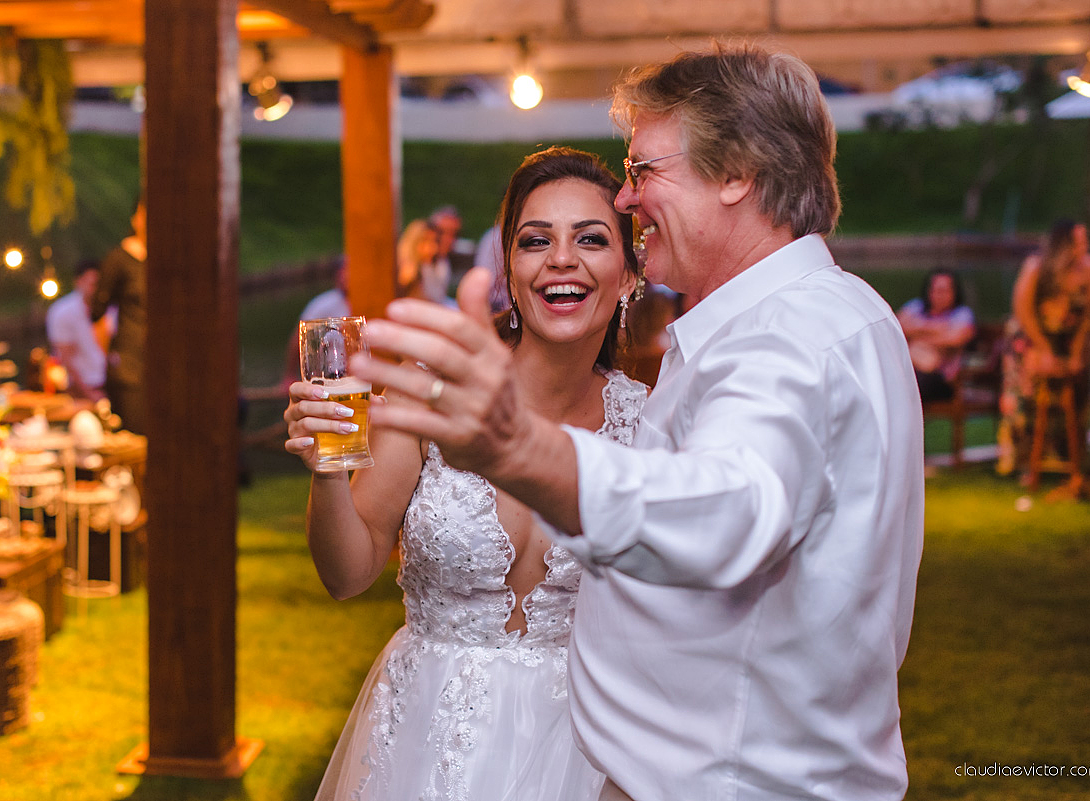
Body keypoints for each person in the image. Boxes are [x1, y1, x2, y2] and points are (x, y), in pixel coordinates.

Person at [351, 42, 925, 801]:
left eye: (643, 170)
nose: (624, 201)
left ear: (738, 174)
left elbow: (726, 512)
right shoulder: (810, 317)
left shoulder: (788, 342)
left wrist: (518, 446)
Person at [284, 147, 648, 801]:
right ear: (510, 270)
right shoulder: (430, 397)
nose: (560, 258)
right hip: (427, 741)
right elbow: (346, 572)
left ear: (627, 275)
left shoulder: (650, 428)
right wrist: (326, 472)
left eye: (590, 239)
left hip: (586, 752)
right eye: (536, 240)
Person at [997, 219, 1090, 488]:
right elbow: (1023, 310)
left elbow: (1087, 314)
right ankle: (1025, 459)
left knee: (1079, 381)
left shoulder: (1089, 268)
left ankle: (1072, 459)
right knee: (1029, 388)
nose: (1085, 246)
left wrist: (1076, 351)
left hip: (1066, 339)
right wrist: (1043, 349)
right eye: (1079, 241)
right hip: (1032, 338)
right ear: (1064, 244)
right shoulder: (1037, 267)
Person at [91, 200, 147, 434]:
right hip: (129, 365)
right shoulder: (119, 259)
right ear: (137, 218)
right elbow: (97, 314)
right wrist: (110, 357)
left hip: (164, 363)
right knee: (135, 433)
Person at [897, 267, 976, 402]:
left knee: (913, 381)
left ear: (954, 292)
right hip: (912, 371)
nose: (939, 295)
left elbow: (956, 338)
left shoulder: (962, 314)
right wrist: (937, 328)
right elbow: (897, 327)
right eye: (936, 290)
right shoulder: (916, 306)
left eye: (944, 290)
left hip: (942, 378)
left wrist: (916, 336)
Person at [45, 260, 115, 401]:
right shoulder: (62, 312)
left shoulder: (112, 309)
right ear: (78, 282)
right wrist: (88, 394)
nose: (97, 290)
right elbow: (65, 358)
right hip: (80, 391)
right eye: (93, 284)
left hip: (113, 386)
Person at [282, 257, 351, 387]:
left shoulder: (375, 301)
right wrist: (289, 376)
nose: (344, 277)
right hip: (334, 376)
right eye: (341, 272)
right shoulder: (324, 304)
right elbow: (299, 337)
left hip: (366, 375)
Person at [396, 218, 450, 305]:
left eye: (435, 241)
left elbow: (438, 298)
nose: (433, 248)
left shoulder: (439, 265)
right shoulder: (403, 268)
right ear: (413, 242)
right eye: (426, 241)